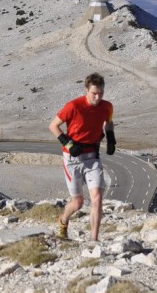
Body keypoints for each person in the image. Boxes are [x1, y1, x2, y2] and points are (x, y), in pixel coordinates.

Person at [49, 73, 116, 241]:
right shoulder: (73, 106)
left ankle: (94, 240)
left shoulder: (107, 106)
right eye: (94, 93)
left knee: (97, 198)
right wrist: (69, 143)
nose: (98, 97)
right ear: (86, 89)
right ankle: (63, 220)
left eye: (101, 93)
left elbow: (108, 122)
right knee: (78, 203)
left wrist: (111, 138)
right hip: (72, 160)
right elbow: (53, 126)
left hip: (92, 157)